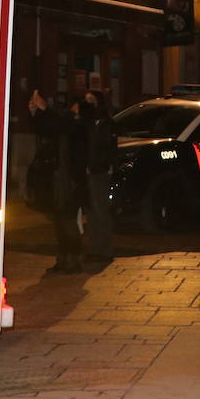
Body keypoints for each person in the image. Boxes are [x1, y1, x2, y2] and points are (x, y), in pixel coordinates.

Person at [33, 92, 85, 275]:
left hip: (72, 182)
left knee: (69, 221)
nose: (74, 109)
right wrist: (38, 113)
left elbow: (63, 125)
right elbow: (49, 128)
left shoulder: (80, 127)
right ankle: (63, 259)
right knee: (59, 221)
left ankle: (74, 260)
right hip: (60, 181)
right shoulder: (65, 127)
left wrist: (45, 109)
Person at [81, 90, 116, 270]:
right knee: (92, 211)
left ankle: (104, 249)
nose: (89, 104)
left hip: (100, 171)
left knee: (100, 210)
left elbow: (107, 148)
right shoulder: (88, 123)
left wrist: (105, 165)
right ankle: (94, 247)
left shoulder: (106, 123)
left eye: (91, 101)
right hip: (89, 171)